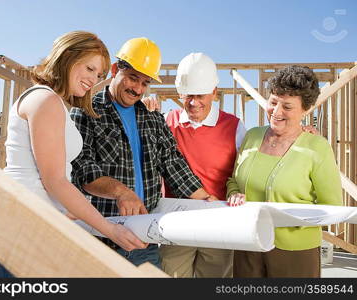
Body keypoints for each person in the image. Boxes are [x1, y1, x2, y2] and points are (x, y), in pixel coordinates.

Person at [0, 31, 147, 278]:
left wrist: (61, 208)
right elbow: (54, 180)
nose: (93, 79)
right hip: (17, 233)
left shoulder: (51, 101)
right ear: (68, 56)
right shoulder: (45, 100)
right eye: (89, 68)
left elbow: (44, 178)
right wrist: (110, 230)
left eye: (98, 75)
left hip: (32, 230)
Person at [70, 38, 212, 268]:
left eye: (145, 83)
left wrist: (206, 200)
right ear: (116, 70)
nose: (137, 88)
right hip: (99, 236)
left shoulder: (152, 118)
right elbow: (82, 169)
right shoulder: (86, 111)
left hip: (143, 239)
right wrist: (121, 192)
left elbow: (172, 162)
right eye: (133, 78)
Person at [226, 65, 343, 278]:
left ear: (306, 110)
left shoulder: (316, 147)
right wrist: (233, 193)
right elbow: (234, 180)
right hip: (248, 245)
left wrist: (293, 217)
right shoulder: (252, 136)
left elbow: (332, 206)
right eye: (273, 102)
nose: (276, 112)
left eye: (287, 107)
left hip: (295, 253)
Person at [143, 53, 245, 278]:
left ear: (214, 93)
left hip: (218, 224)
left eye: (200, 95)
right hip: (176, 223)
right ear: (180, 93)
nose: (193, 102)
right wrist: (143, 113)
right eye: (188, 96)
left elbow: (246, 172)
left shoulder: (235, 128)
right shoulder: (166, 122)